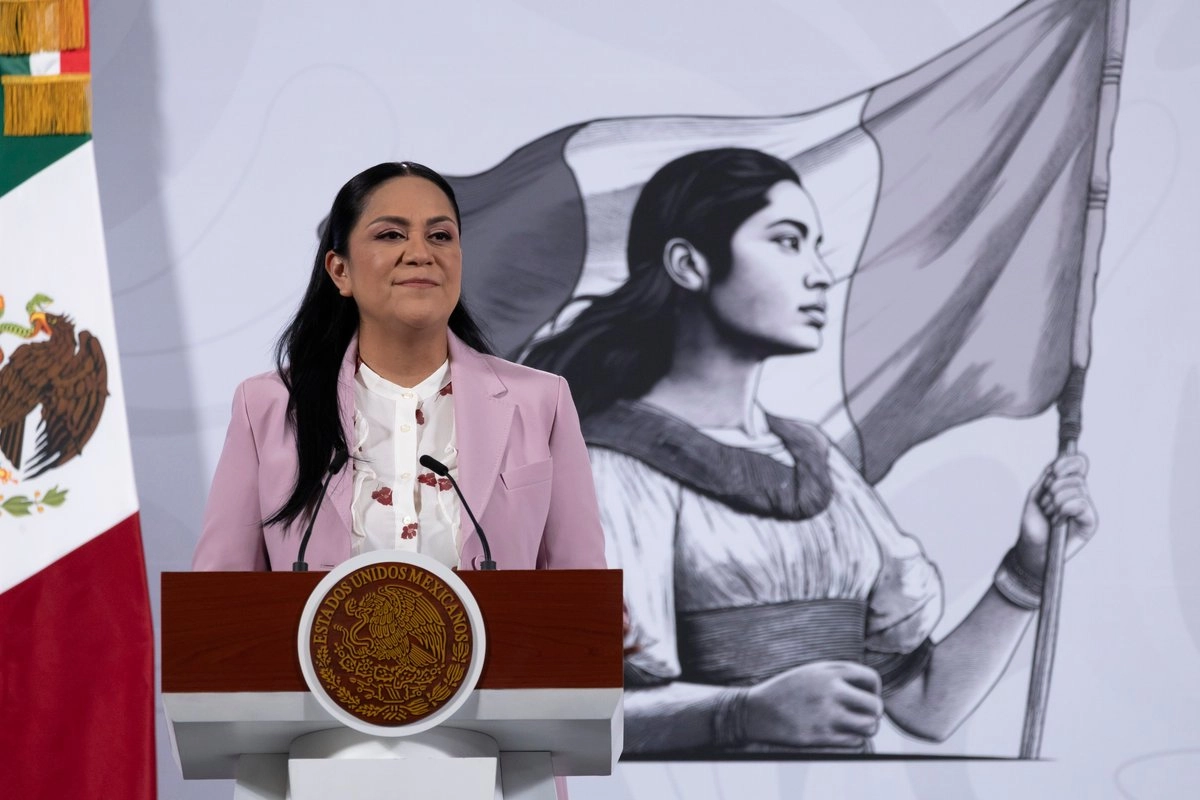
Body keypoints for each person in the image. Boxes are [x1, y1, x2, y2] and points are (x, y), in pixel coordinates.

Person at [522, 148, 1098, 755]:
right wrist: (740, 714)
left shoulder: (815, 459)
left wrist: (1029, 567)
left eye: (816, 245)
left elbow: (928, 706)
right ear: (689, 265)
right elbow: (559, 721)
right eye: (788, 241)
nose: (820, 273)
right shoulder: (605, 466)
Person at [193, 161, 606, 575]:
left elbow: (583, 588)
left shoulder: (541, 401)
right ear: (340, 270)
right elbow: (219, 595)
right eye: (391, 235)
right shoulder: (268, 405)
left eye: (440, 236)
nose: (421, 254)